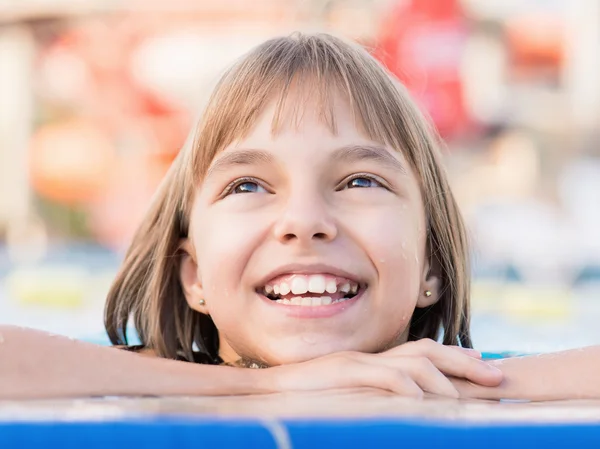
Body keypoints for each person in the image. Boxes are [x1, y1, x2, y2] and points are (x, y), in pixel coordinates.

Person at [0, 33, 597, 402]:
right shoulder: (129, 379)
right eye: (249, 184)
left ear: (431, 268)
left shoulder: (456, 381)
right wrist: (258, 387)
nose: (305, 221)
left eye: (360, 180)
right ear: (193, 277)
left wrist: (460, 392)